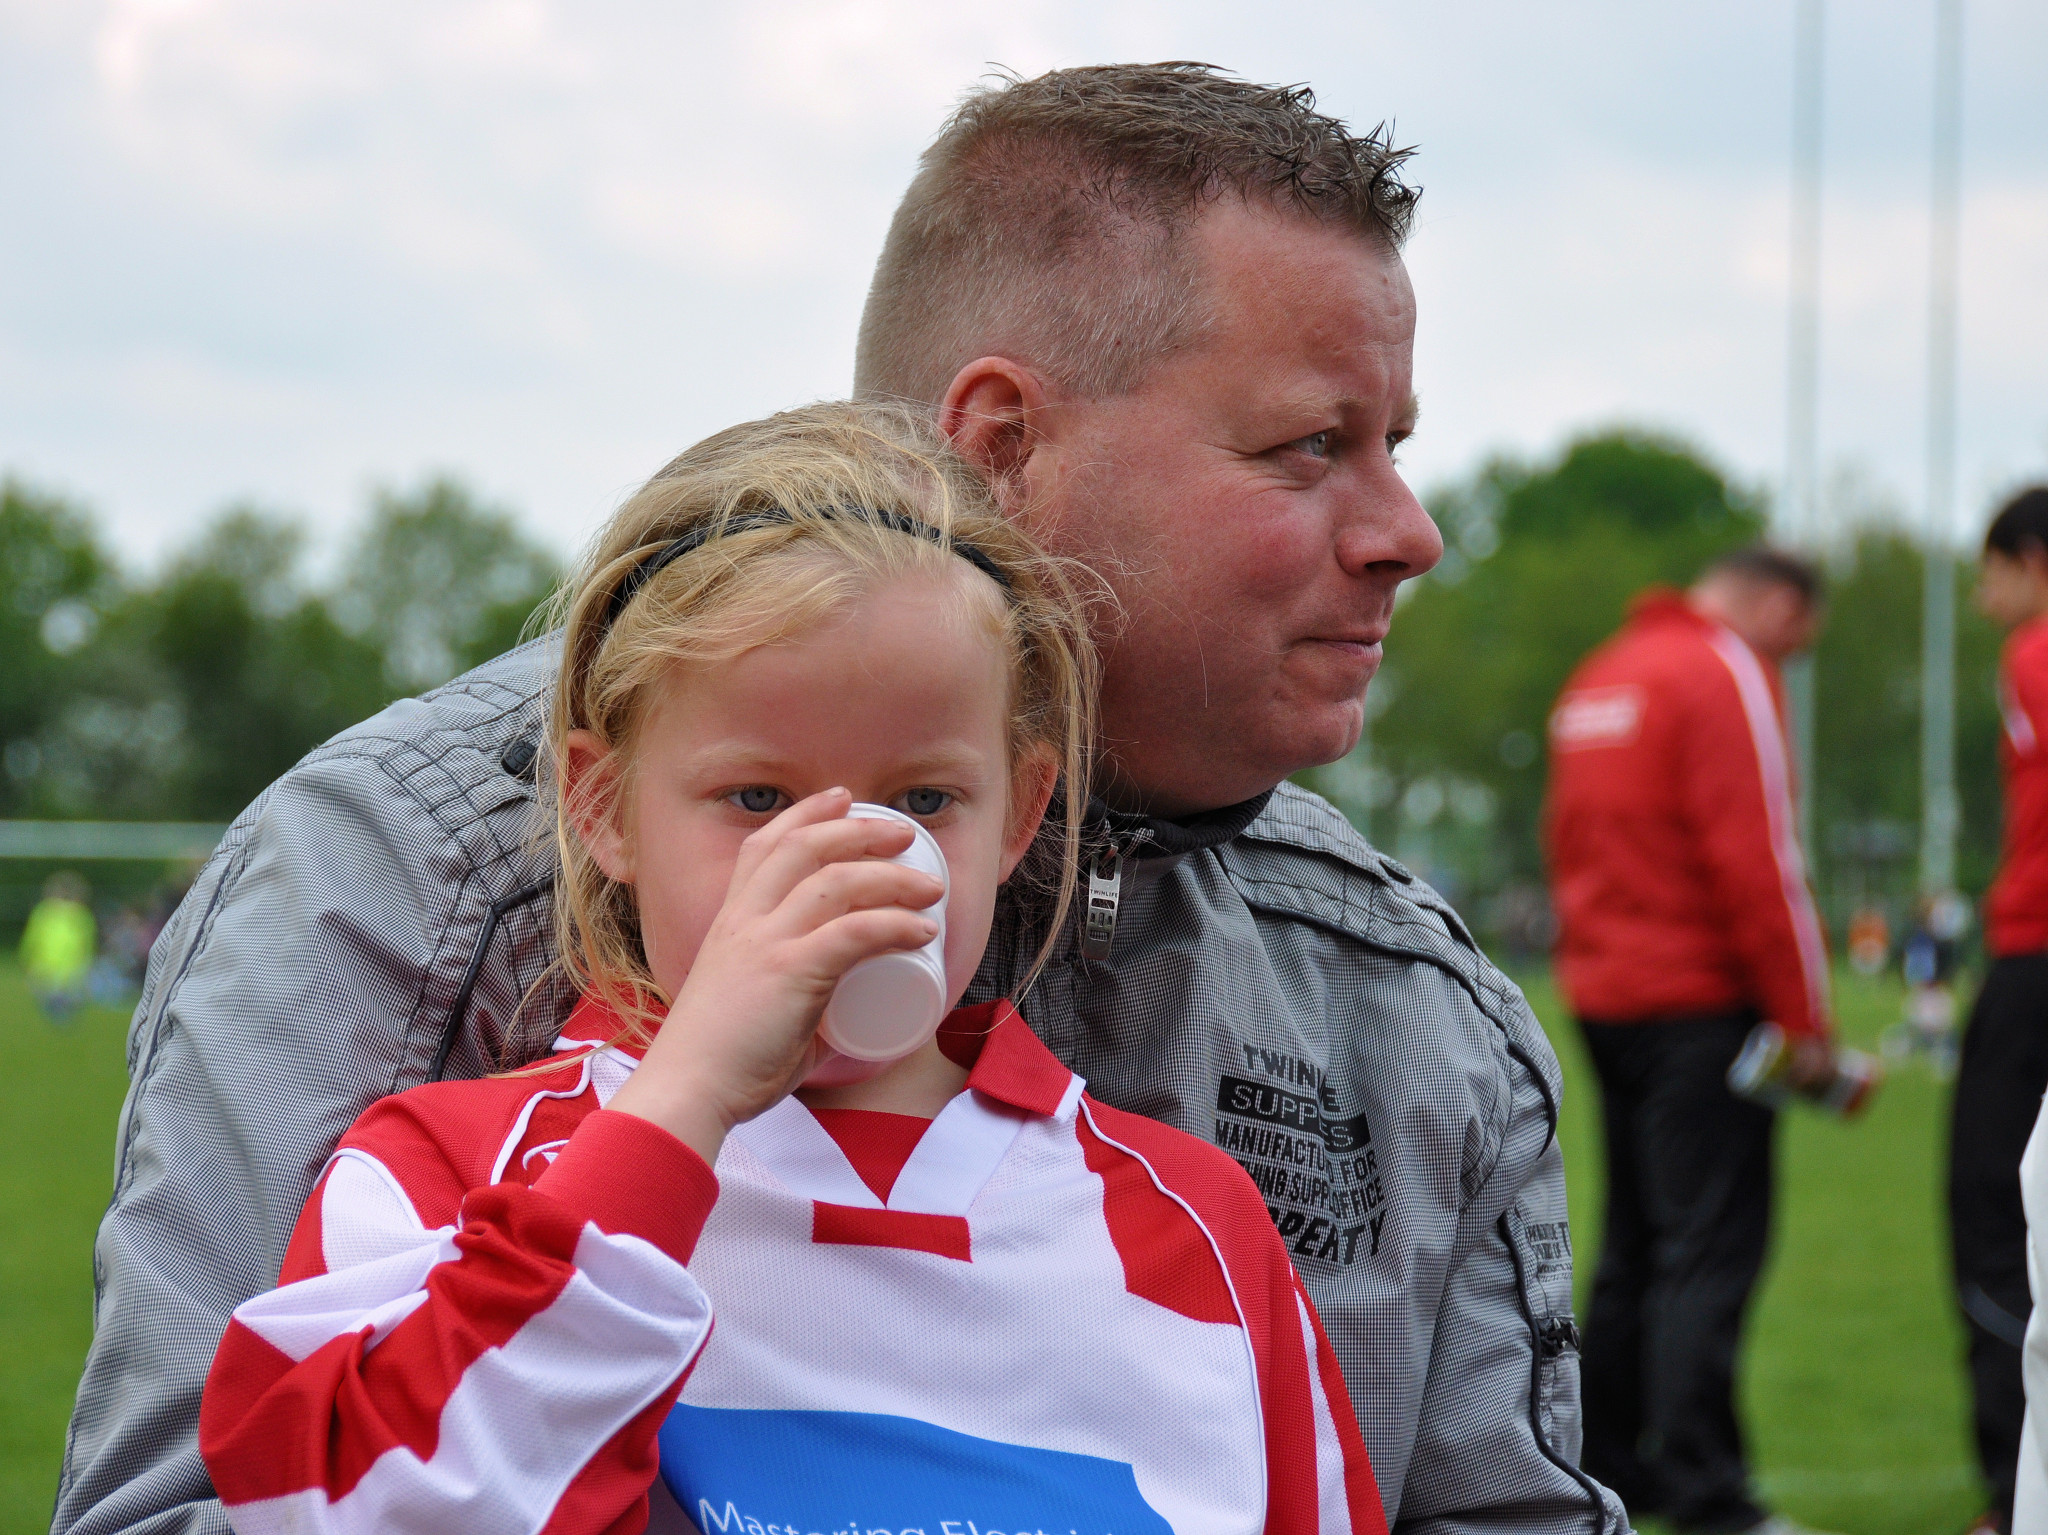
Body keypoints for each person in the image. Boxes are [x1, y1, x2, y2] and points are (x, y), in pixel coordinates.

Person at [58, 64, 1620, 1535]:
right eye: (1310, 447)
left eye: (1395, 444)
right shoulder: (409, 868)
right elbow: (215, 1498)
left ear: (1023, 805)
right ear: (1001, 445)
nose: (1410, 531)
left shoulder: (1403, 998)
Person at [197, 404, 1381, 1533]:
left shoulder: (1193, 1224)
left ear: (1019, 816)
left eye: (925, 800)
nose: (843, 860)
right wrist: (684, 1102)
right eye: (757, 798)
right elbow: (354, 1503)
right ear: (602, 806)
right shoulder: (445, 1171)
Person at [1544, 546, 1832, 1533]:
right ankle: (1710, 1490)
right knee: (1706, 1246)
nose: (1788, 660)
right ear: (1778, 603)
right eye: (1797, 640)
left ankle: (1608, 1464)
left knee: (1631, 1244)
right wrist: (1806, 1021)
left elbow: (1563, 836)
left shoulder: (1603, 671)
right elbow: (1760, 856)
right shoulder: (1720, 669)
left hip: (1604, 993)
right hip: (1701, 1000)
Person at [1953, 485, 2048, 1535]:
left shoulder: (2033, 651)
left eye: (1989, 574)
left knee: (1995, 1217)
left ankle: (2007, 1490)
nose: (1984, 602)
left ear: (2029, 560)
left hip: (2031, 960)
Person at [21, 870, 96, 1023]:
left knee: (66, 1001)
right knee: (50, 1000)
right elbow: (32, 938)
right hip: (46, 965)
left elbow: (87, 942)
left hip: (70, 966)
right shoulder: (44, 912)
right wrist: (27, 959)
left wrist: (86, 963)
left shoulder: (80, 914)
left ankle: (62, 1018)